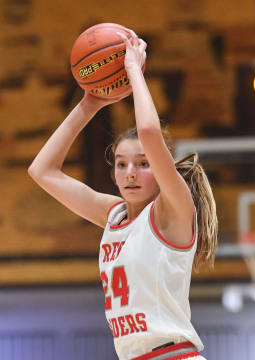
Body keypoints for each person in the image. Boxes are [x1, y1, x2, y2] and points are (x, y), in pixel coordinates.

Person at [28, 28, 217, 360]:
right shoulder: (114, 215)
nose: (130, 172)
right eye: (121, 164)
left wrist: (132, 68)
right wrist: (89, 103)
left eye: (143, 163)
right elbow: (42, 171)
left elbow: (147, 131)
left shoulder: (173, 209)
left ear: (161, 170)